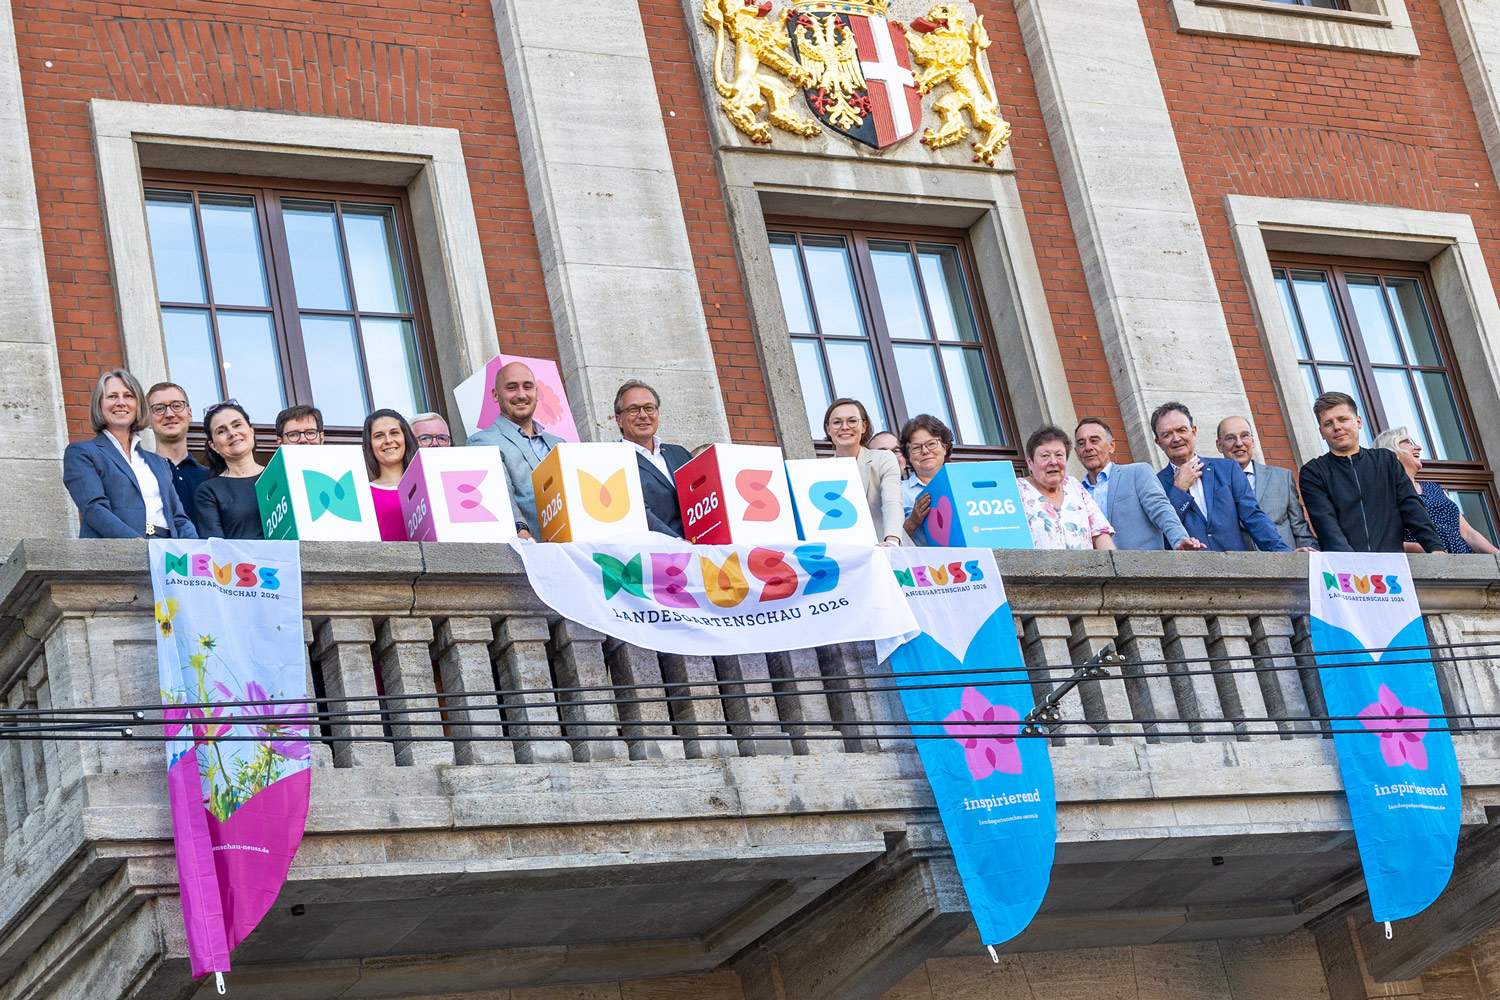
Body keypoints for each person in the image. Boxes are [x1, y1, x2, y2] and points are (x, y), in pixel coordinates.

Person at [1299, 392, 1443, 553]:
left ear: (1358, 422)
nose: (1337, 427)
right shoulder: (1313, 472)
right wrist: (1352, 562)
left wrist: (1434, 547)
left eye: (1343, 419)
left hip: (1391, 565)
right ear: (1321, 433)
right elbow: (1325, 524)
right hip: (1344, 568)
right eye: (1328, 424)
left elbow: (1411, 506)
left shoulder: (1385, 460)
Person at [62, 368, 197, 538]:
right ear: (99, 405)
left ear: (138, 405)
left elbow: (179, 518)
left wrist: (194, 550)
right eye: (112, 396)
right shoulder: (82, 453)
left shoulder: (158, 462)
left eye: (128, 396)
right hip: (120, 554)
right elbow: (94, 509)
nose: (121, 402)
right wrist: (136, 544)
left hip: (166, 553)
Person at [1151, 402, 1289, 552]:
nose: (1176, 438)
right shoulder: (1155, 485)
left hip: (1237, 568)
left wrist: (1285, 556)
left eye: (1181, 430)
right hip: (1191, 571)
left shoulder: (1227, 469)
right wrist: (1179, 491)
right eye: (1167, 434)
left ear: (1194, 431)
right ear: (1158, 442)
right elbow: (1158, 535)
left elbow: (1254, 517)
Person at [467, 361, 564, 539]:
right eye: (512, 388)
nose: (521, 395)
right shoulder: (482, 441)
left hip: (576, 548)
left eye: (528, 387)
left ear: (536, 392)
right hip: (530, 549)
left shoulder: (561, 444)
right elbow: (500, 492)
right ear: (496, 395)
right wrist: (520, 531)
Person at [1074, 418, 1203, 551]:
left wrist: (1180, 541)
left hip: (1143, 567)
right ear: (1076, 452)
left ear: (1111, 446)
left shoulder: (1137, 473)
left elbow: (1162, 510)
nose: (1088, 448)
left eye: (1094, 440)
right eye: (1081, 443)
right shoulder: (1074, 493)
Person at [1373, 427, 1495, 555]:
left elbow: (1469, 534)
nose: (1418, 447)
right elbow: (1380, 542)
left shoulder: (1435, 488)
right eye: (1408, 442)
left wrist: (1497, 554)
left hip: (1463, 564)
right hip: (1424, 569)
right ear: (1392, 451)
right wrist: (1426, 549)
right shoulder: (1383, 494)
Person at [1214, 415, 1317, 551]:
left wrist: (1309, 557)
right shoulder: (1211, 483)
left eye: (1244, 436)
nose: (1239, 443)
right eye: (1230, 438)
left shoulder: (1282, 477)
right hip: (1238, 566)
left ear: (1253, 441)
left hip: (1285, 563)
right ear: (1219, 446)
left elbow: (1300, 530)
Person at [615, 380, 692, 537]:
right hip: (657, 552)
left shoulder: (680, 454)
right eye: (633, 409)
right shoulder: (613, 460)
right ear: (619, 420)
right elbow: (637, 511)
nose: (643, 415)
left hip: (704, 551)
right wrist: (677, 543)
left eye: (649, 408)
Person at [1018, 425, 1115, 550]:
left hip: (1085, 569)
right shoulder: (1017, 490)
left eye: (1059, 455)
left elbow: (1100, 532)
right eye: (1045, 456)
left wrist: (1114, 565)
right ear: (1030, 462)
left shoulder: (1074, 486)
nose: (1053, 462)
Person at [825, 398, 903, 546]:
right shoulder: (821, 470)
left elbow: (892, 502)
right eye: (836, 422)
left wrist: (891, 540)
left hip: (883, 548)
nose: (844, 427)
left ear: (864, 426)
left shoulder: (883, 459)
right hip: (843, 555)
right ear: (828, 430)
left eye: (852, 421)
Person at [193, 401, 264, 539]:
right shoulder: (208, 492)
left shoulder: (279, 476)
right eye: (221, 431)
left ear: (251, 430)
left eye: (237, 425)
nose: (232, 433)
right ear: (213, 446)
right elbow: (216, 549)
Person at [146, 382, 207, 527]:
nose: (169, 414)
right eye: (159, 408)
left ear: (190, 414)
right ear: (148, 420)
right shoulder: (141, 474)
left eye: (177, 405)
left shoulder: (211, 477)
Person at [362, 409, 417, 541]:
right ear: (370, 445)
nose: (388, 440)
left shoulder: (428, 484)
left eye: (394, 433)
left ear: (405, 438)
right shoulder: (363, 494)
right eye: (379, 436)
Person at [898, 414, 952, 545]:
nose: (925, 451)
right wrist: (913, 521)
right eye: (916, 448)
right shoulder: (899, 491)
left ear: (944, 448)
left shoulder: (962, 484)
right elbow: (889, 544)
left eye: (932, 444)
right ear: (908, 456)